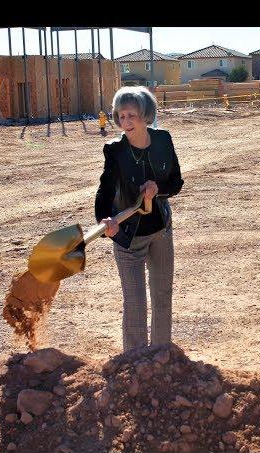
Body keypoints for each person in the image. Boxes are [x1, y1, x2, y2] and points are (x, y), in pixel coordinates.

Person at [95, 86, 184, 352]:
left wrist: (159, 188)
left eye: (131, 115)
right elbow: (105, 189)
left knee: (162, 296)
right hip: (128, 236)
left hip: (160, 231)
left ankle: (160, 354)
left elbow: (176, 182)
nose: (126, 122)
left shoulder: (163, 141)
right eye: (121, 116)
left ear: (146, 116)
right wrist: (105, 219)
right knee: (134, 303)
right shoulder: (115, 151)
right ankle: (134, 362)